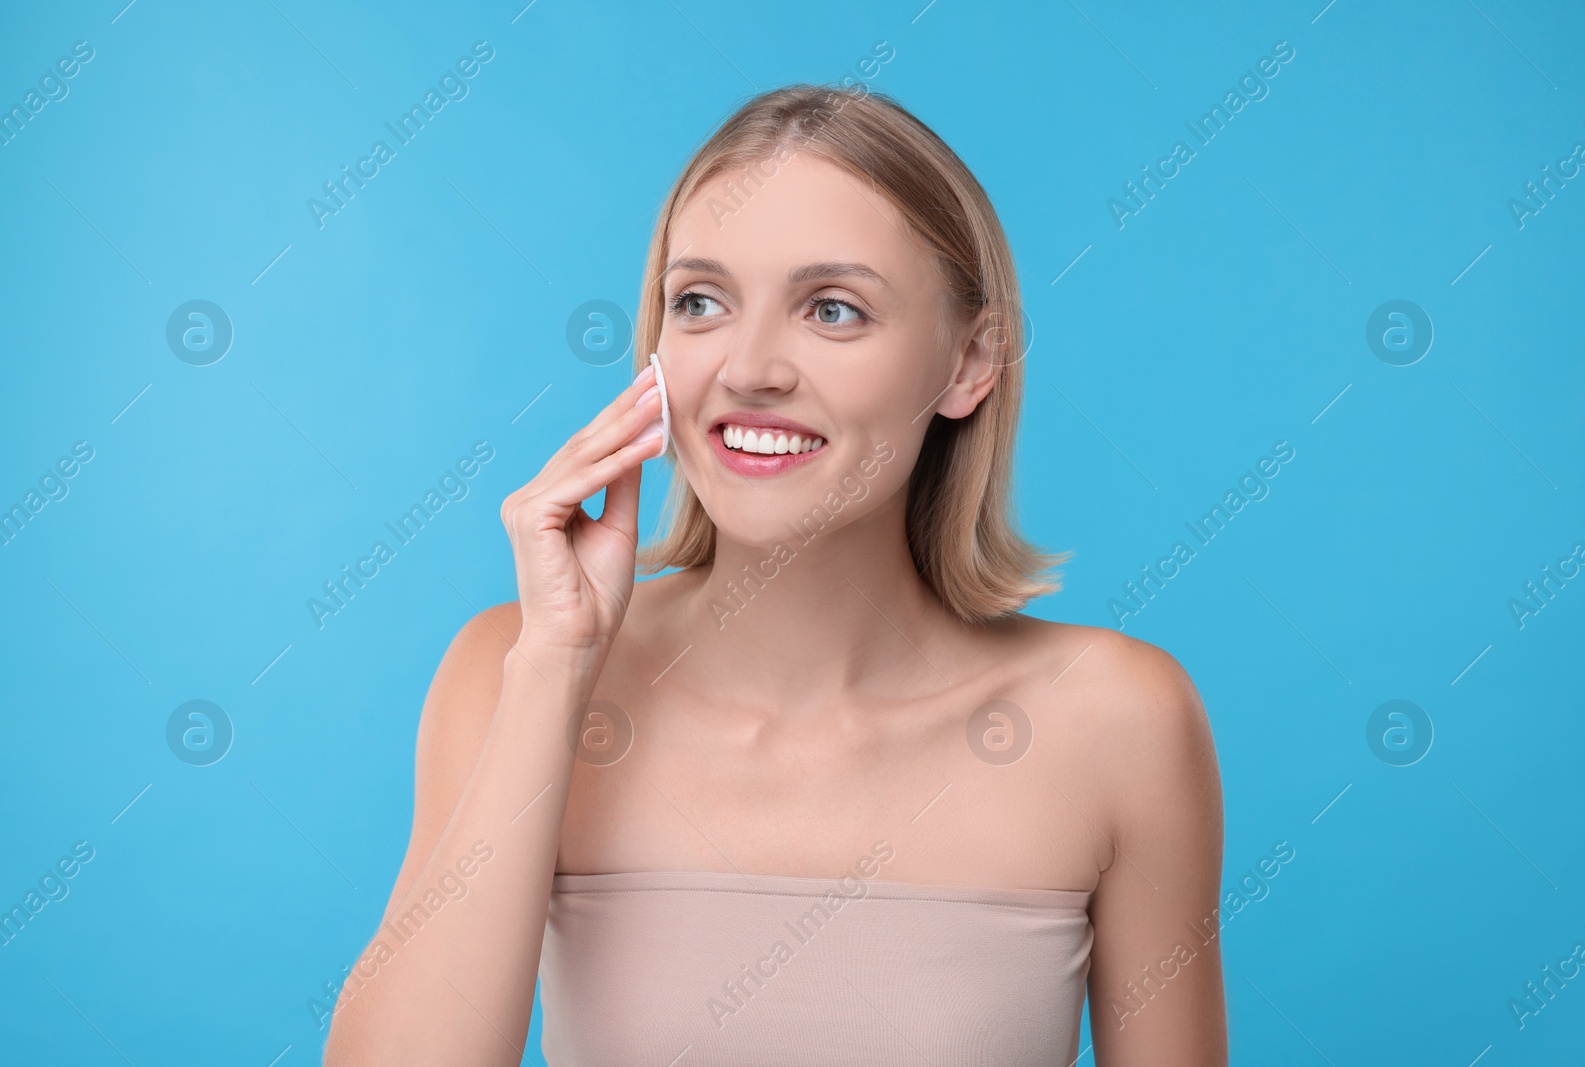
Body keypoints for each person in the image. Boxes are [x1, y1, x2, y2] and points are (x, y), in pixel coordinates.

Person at [324, 83, 1226, 1066]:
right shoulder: (510, 667)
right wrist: (554, 665)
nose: (748, 368)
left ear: (970, 360)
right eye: (700, 301)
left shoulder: (1115, 717)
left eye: (832, 309)